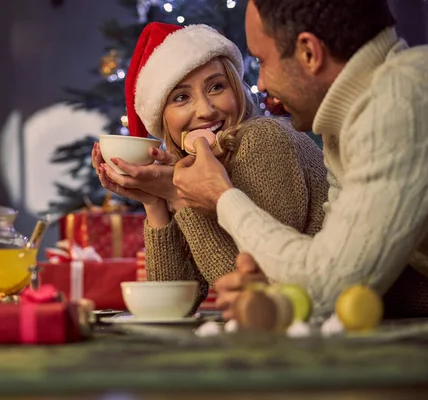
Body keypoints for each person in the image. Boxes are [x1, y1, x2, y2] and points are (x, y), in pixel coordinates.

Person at [172, 0, 428, 320]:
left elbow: (330, 288)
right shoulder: (343, 126)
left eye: (263, 61)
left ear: (309, 52)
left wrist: (222, 197)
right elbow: (326, 263)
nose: (261, 84)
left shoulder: (401, 100)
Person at [91, 22, 329, 308]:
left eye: (216, 87)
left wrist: (180, 198)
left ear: (236, 89)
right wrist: (155, 203)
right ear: (162, 118)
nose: (205, 110)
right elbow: (174, 305)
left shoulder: (264, 138)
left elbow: (258, 293)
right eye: (181, 97)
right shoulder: (189, 169)